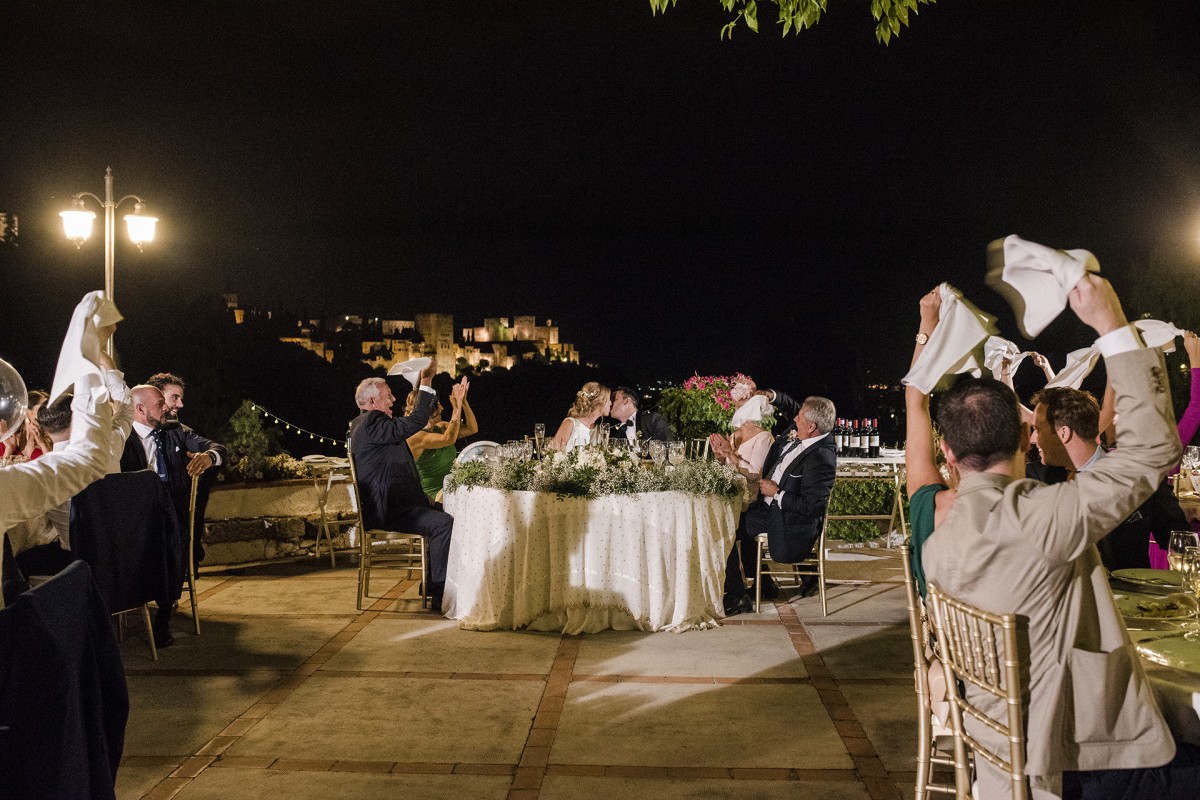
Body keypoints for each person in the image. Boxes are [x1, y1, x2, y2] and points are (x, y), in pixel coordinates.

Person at [923, 274, 1200, 798]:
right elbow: (1154, 452)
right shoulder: (1045, 517)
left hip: (1000, 756)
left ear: (952, 458)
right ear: (1027, 441)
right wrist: (1112, 325)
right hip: (1074, 765)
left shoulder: (941, 538)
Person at [1029, 385, 1186, 572]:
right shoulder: (1036, 479)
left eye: (1038, 430)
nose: (1033, 439)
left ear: (1064, 433)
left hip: (1132, 598)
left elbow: (1181, 542)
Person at [348, 362, 453, 609]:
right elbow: (415, 421)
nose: (393, 399)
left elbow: (397, 469)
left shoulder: (364, 425)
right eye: (388, 396)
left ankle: (429, 583)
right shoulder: (373, 422)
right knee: (444, 524)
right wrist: (425, 383)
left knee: (445, 512)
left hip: (395, 506)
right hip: (390, 512)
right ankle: (439, 594)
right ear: (372, 402)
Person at [723, 396, 838, 615]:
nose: (794, 419)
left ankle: (737, 597)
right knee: (732, 519)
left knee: (724, 528)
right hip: (765, 507)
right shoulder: (800, 434)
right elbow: (793, 408)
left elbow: (812, 507)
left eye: (799, 417)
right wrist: (770, 395)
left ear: (812, 426)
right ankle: (763, 585)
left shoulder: (821, 456)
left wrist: (778, 494)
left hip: (785, 519)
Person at [120, 384, 226, 567]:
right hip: (138, 519)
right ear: (140, 408)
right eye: (160, 404)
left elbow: (219, 449)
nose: (166, 408)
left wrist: (209, 457)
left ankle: (173, 588)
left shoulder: (175, 430)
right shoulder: (122, 438)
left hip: (174, 518)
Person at [904, 288, 957, 599]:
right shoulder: (1029, 511)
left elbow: (915, 400)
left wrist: (927, 323)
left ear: (946, 449)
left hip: (942, 645)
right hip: (1013, 648)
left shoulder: (930, 504)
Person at [405, 376, 478, 503]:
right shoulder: (416, 436)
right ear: (429, 410)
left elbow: (472, 429)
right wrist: (457, 407)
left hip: (454, 488)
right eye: (438, 405)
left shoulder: (441, 427)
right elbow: (448, 439)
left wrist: (464, 402)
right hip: (434, 497)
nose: (442, 408)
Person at [708, 395, 774, 484]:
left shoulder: (764, 437)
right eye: (737, 406)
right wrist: (719, 456)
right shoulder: (733, 435)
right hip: (729, 493)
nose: (738, 411)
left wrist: (731, 453)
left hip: (748, 495)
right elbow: (724, 469)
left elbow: (755, 475)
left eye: (743, 406)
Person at [550, 382, 611, 452]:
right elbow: (553, 454)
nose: (610, 403)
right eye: (608, 399)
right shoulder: (570, 423)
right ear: (599, 402)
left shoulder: (600, 430)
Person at [608, 386, 673, 443]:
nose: (610, 403)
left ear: (627, 401)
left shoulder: (652, 420)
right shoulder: (613, 431)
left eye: (614, 399)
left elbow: (668, 445)